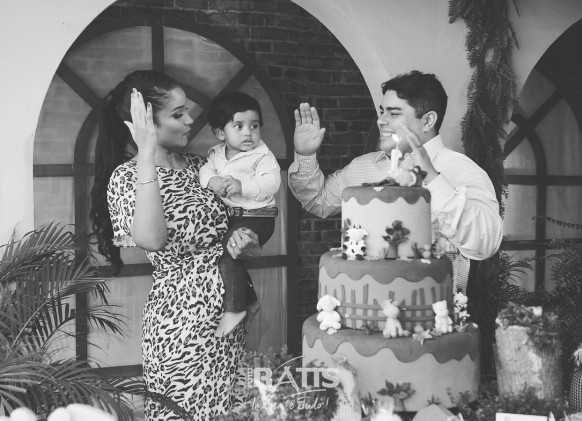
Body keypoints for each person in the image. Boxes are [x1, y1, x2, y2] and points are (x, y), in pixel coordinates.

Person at [89, 70, 260, 420]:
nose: (190, 120)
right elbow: (152, 239)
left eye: (187, 111)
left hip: (228, 315)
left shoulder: (201, 166)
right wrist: (146, 153)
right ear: (146, 122)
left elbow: (235, 223)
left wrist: (247, 240)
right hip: (180, 325)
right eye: (178, 114)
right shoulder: (126, 177)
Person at [288, 70, 503, 292]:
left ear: (428, 120)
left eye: (393, 113)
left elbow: (485, 244)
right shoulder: (363, 166)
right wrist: (305, 155)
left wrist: (432, 178)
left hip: (431, 306)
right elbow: (319, 201)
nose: (381, 120)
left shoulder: (460, 170)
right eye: (382, 111)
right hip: (366, 303)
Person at [200, 91, 281, 337]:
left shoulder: (262, 155)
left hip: (259, 217)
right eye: (239, 126)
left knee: (228, 253)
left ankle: (235, 309)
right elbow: (204, 171)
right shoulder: (216, 154)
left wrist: (242, 186)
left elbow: (272, 183)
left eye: (254, 126)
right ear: (220, 133)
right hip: (233, 218)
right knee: (229, 255)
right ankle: (251, 301)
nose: (248, 132)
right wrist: (212, 181)